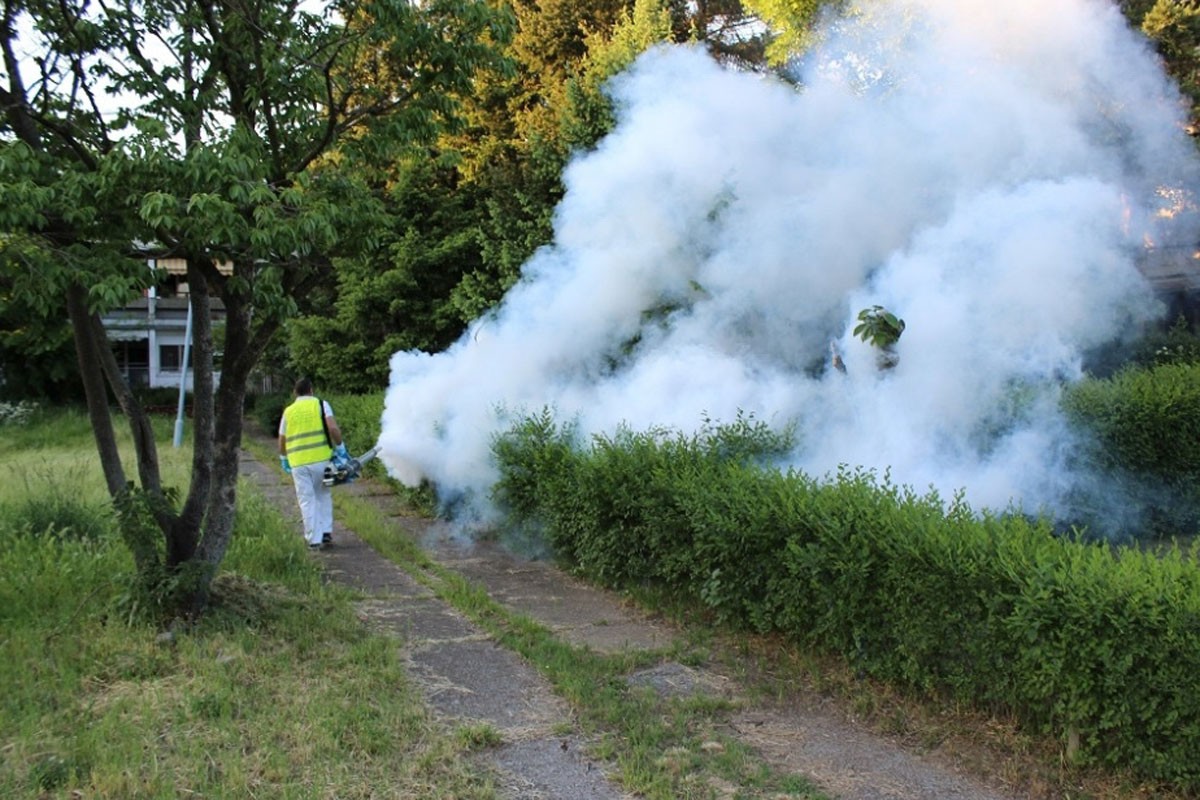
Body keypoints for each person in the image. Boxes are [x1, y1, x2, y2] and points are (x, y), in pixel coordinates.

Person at [278, 377, 350, 550]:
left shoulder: (288, 411)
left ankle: (313, 540)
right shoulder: (321, 405)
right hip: (321, 460)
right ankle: (326, 533)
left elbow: (282, 439)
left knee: (306, 500)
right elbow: (332, 428)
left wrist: (283, 459)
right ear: (311, 390)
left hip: (298, 463)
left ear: (295, 392)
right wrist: (340, 447)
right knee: (323, 494)